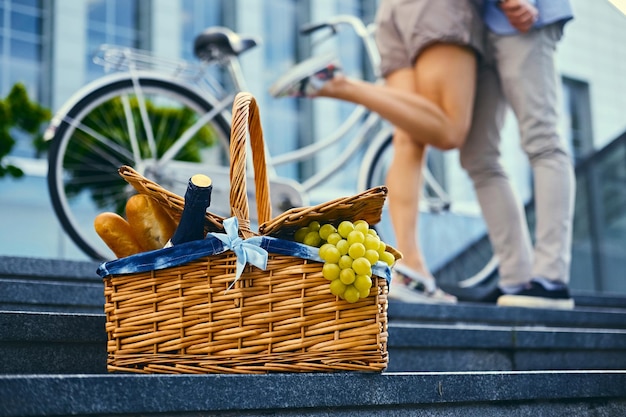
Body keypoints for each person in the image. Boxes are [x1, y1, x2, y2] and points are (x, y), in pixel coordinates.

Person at [269, 0, 484, 303]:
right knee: (449, 130)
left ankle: (411, 267)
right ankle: (338, 83)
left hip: (394, 11)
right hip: (438, 9)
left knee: (410, 136)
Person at [458, 0, 576, 309]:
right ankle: (515, 279)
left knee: (543, 140)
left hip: (520, 15)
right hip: (474, 25)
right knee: (477, 156)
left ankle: (551, 278)